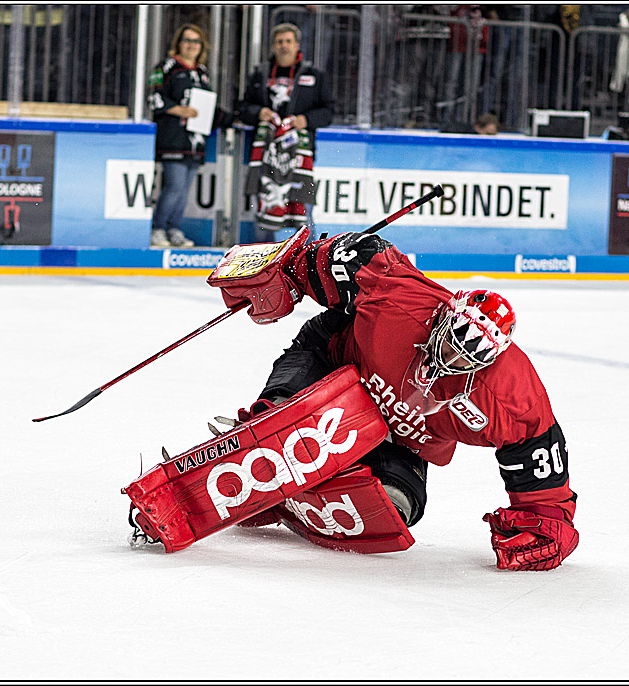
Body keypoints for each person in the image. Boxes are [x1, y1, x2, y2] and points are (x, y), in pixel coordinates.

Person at [227, 229, 579, 571]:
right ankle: (262, 434)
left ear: (490, 360)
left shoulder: (507, 395)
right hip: (334, 361)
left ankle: (289, 498)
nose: (451, 360)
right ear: (446, 318)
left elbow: (536, 445)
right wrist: (293, 272)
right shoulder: (402, 301)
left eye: (466, 360)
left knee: (396, 507)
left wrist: (546, 521)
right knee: (281, 422)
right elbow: (362, 254)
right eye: (452, 342)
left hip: (395, 438)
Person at [237, 22, 335, 242]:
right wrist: (258, 112)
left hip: (300, 156)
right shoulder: (260, 74)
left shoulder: (314, 75)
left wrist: (306, 119)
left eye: (288, 41)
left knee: (303, 210)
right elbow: (242, 108)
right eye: (280, 42)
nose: (284, 46)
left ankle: (310, 262)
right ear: (273, 45)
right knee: (265, 209)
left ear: (297, 45)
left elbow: (329, 111)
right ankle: (262, 265)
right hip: (266, 156)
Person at [147, 24, 226, 248]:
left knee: (184, 189)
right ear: (178, 43)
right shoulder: (167, 66)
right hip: (173, 139)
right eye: (187, 40)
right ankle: (158, 228)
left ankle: (174, 228)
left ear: (202, 47)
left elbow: (207, 107)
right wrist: (179, 110)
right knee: (174, 185)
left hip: (196, 141)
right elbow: (153, 97)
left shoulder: (202, 73)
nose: (191, 45)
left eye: (196, 41)